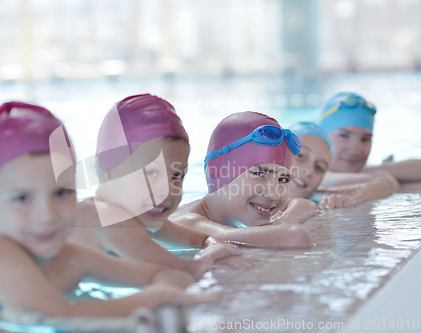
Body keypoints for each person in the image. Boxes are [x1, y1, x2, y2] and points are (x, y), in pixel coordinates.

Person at [0, 101, 217, 318]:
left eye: (61, 193)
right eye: (22, 198)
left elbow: (163, 275)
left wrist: (167, 285)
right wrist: (159, 296)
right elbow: (65, 318)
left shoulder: (70, 257)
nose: (47, 215)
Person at [70, 94, 246, 280]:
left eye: (176, 176)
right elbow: (185, 270)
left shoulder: (140, 217)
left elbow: (202, 239)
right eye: (150, 173)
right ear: (108, 167)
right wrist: (213, 256)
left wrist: (213, 244)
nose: (167, 191)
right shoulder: (103, 218)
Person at [170, 111, 314, 249]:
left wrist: (281, 221)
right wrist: (280, 225)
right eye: (259, 173)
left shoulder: (234, 212)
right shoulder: (184, 224)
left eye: (282, 179)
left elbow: (304, 204)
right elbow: (295, 237)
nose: (273, 194)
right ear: (216, 172)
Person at [319, 92, 420, 188]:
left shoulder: (366, 171)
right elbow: (386, 182)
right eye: (344, 136)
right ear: (321, 137)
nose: (355, 151)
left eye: (365, 139)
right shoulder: (308, 178)